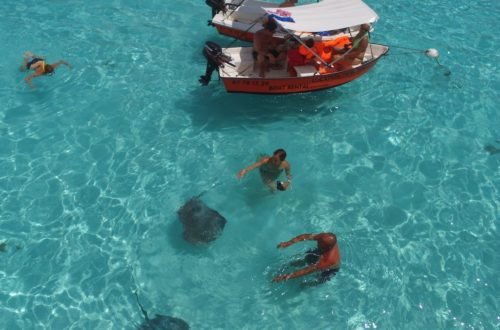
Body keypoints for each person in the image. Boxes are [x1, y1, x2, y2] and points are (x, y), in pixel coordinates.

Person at [273, 232, 341, 283]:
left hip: (330, 269)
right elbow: (305, 236)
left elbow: (306, 271)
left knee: (317, 281)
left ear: (325, 248)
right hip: (322, 252)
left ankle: (306, 287)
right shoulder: (323, 238)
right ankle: (298, 263)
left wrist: (285, 277)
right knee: (306, 259)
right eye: (318, 241)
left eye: (319, 244)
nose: (317, 243)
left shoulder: (329, 260)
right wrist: (287, 243)